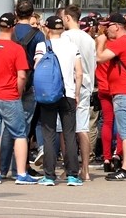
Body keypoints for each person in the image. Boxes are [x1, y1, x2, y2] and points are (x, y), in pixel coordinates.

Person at [0, 12, 38, 185]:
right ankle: (21, 173)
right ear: (13, 27)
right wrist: (18, 93)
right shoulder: (16, 49)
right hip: (9, 95)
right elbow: (22, 76)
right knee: (19, 134)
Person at [35, 16, 83, 186]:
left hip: (48, 94)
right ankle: (72, 175)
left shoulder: (42, 46)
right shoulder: (72, 46)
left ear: (47, 29)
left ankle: (49, 175)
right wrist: (77, 93)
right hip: (68, 94)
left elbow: (37, 69)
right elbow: (79, 72)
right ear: (62, 29)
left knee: (49, 134)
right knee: (69, 134)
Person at [96, 13, 126, 181]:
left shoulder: (122, 41)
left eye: (108, 26)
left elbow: (100, 58)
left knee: (125, 131)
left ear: (116, 26)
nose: (106, 30)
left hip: (123, 92)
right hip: (125, 92)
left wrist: (100, 42)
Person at [6, 0, 46, 175]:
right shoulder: (38, 35)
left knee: (7, 125)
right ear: (32, 14)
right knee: (24, 126)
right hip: (30, 81)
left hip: (9, 80)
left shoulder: (10, 31)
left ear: (16, 13)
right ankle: (20, 167)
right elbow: (41, 61)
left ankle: (2, 166)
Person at [60, 5, 97, 181]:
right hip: (86, 84)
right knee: (83, 128)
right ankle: (85, 169)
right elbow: (93, 63)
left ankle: (68, 167)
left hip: (69, 85)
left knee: (64, 128)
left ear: (67, 18)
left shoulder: (65, 37)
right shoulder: (89, 39)